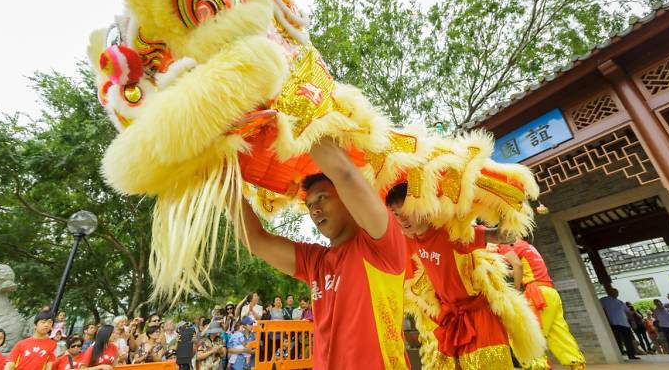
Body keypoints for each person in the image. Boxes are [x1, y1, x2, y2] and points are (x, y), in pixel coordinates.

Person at [235, 138, 409, 369]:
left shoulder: (381, 243)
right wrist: (227, 189)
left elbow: (345, 174)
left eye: (322, 198)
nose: (315, 210)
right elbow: (256, 240)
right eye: (308, 205)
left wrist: (298, 119)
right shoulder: (314, 261)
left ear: (347, 197)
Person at [386, 183, 518, 368]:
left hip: (479, 319)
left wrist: (504, 204)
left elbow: (503, 236)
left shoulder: (450, 231)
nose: (403, 220)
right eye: (397, 214)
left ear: (424, 205)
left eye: (408, 210)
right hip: (451, 321)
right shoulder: (411, 239)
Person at [497, 236, 587, 368]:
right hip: (549, 292)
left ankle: (538, 366)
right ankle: (577, 364)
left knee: (529, 333)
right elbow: (520, 269)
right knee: (558, 332)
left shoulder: (509, 245)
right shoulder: (528, 247)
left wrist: (516, 291)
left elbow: (515, 265)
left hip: (537, 293)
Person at [599, 288, 639, 359]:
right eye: (615, 292)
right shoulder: (604, 300)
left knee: (628, 340)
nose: (617, 293)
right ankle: (619, 355)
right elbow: (600, 308)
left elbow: (628, 312)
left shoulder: (620, 302)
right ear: (610, 292)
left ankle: (631, 355)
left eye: (617, 292)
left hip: (625, 324)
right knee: (617, 340)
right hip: (613, 324)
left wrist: (632, 322)